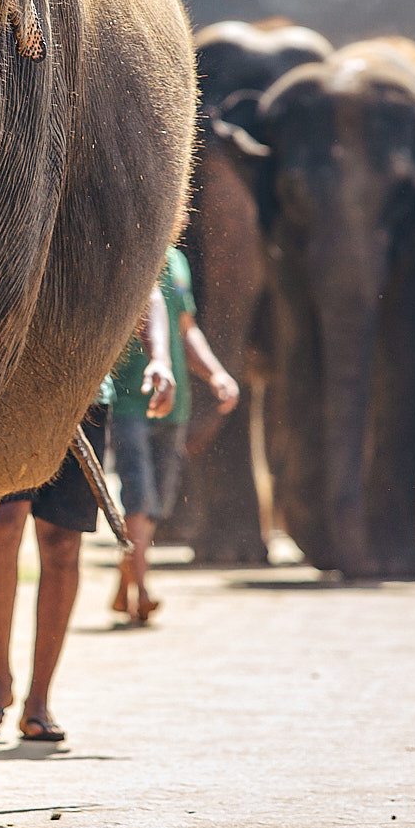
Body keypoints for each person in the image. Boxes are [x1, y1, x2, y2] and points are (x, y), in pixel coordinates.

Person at [107, 248, 239, 625]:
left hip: (173, 405)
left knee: (157, 503)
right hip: (127, 400)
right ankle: (143, 590)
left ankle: (126, 573)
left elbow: (186, 329)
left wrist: (215, 374)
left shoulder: (178, 261)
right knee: (139, 494)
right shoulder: (124, 248)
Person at [0, 409, 103, 743]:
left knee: (62, 542)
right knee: (1, 523)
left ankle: (39, 700)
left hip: (84, 396)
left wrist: (160, 359)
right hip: (13, 389)